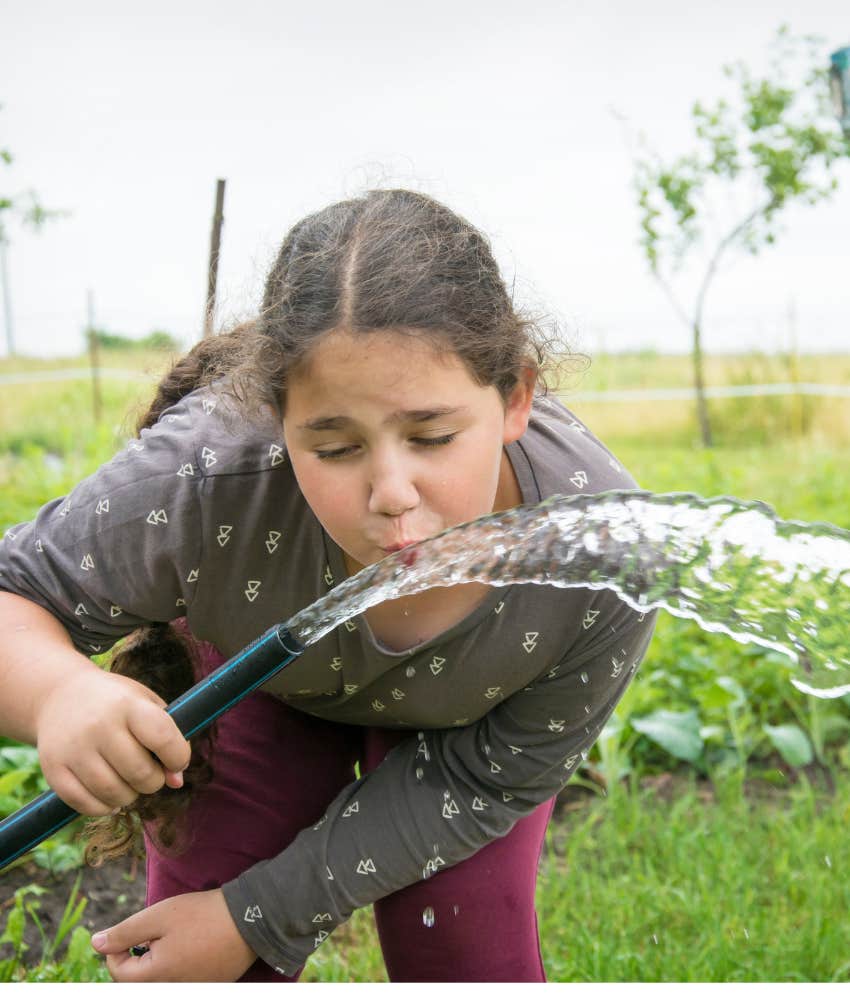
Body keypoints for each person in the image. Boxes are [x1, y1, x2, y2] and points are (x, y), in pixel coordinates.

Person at [0, 188, 655, 983]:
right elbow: (17, 591)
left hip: (466, 735)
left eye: (433, 436)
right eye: (335, 448)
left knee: (463, 954)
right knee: (200, 967)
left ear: (515, 398)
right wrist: (57, 694)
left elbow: (489, 777)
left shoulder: (601, 554)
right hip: (268, 694)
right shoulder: (208, 480)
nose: (392, 492)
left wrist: (261, 913)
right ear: (276, 417)